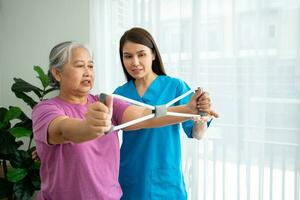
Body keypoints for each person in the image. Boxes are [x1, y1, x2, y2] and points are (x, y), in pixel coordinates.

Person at [32, 41, 214, 200]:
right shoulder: (46, 110)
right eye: (80, 66)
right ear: (57, 73)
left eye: (91, 66)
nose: (88, 72)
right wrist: (88, 126)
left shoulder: (106, 101)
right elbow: (64, 129)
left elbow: (145, 116)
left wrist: (187, 109)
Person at [114, 27, 219, 200]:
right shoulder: (119, 94)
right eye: (128, 56)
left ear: (153, 54)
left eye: (141, 54)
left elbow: (196, 134)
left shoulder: (175, 87)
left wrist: (201, 118)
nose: (135, 62)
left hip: (166, 180)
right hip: (130, 178)